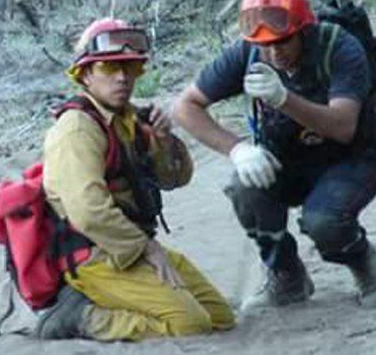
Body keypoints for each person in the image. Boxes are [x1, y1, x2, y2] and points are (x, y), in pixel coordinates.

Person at [172, 0, 376, 308]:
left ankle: (365, 265)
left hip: (351, 159)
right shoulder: (248, 53)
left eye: (283, 41)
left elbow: (344, 127)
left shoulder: (340, 48)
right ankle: (286, 274)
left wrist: (283, 99)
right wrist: (238, 149)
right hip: (289, 158)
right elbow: (185, 106)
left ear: (304, 31)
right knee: (243, 188)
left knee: (323, 221)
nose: (274, 52)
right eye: (264, 44)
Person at [37, 17, 235, 341]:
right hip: (96, 256)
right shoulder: (76, 129)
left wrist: (163, 143)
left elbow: (175, 179)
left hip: (132, 245)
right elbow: (88, 211)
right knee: (191, 324)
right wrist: (146, 248)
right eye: (109, 67)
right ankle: (82, 316)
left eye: (130, 67)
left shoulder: (129, 120)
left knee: (220, 317)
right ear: (85, 75)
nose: (122, 77)